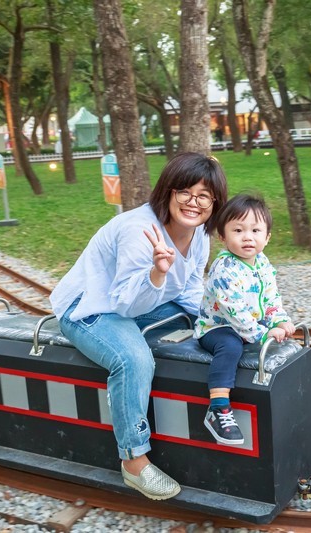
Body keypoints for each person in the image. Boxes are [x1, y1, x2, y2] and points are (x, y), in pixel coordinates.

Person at [50, 152, 228, 500]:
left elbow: (191, 290)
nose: (194, 203)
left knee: (209, 324)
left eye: (204, 196)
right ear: (168, 191)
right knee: (133, 359)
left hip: (143, 299)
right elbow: (125, 303)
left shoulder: (199, 235)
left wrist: (218, 320)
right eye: (185, 192)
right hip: (91, 306)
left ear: (214, 202)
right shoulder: (138, 231)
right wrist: (158, 271)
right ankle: (133, 461)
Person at [194, 194, 295, 446]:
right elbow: (235, 312)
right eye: (238, 230)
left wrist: (279, 320)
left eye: (255, 230)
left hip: (248, 325)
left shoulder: (262, 262)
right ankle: (218, 407)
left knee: (270, 341)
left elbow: (271, 297)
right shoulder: (224, 268)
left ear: (267, 237)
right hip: (218, 327)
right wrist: (262, 335)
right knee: (230, 345)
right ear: (223, 237)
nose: (247, 237)